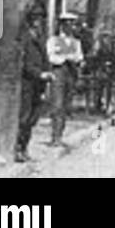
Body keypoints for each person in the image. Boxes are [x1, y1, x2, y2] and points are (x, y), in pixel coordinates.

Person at [15, 8, 50, 162]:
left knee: (33, 118)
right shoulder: (25, 37)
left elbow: (45, 59)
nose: (39, 21)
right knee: (24, 117)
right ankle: (18, 149)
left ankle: (25, 148)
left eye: (41, 18)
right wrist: (39, 73)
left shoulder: (40, 38)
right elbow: (24, 63)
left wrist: (46, 74)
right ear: (30, 20)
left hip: (39, 84)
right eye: (36, 18)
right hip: (27, 82)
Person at [46, 12, 85, 146]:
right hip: (58, 72)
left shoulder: (76, 42)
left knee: (65, 105)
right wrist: (66, 57)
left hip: (71, 73)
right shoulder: (53, 40)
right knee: (57, 104)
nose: (70, 27)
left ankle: (60, 135)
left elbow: (79, 57)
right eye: (67, 24)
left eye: (72, 24)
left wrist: (71, 58)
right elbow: (51, 57)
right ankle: (54, 135)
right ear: (62, 25)